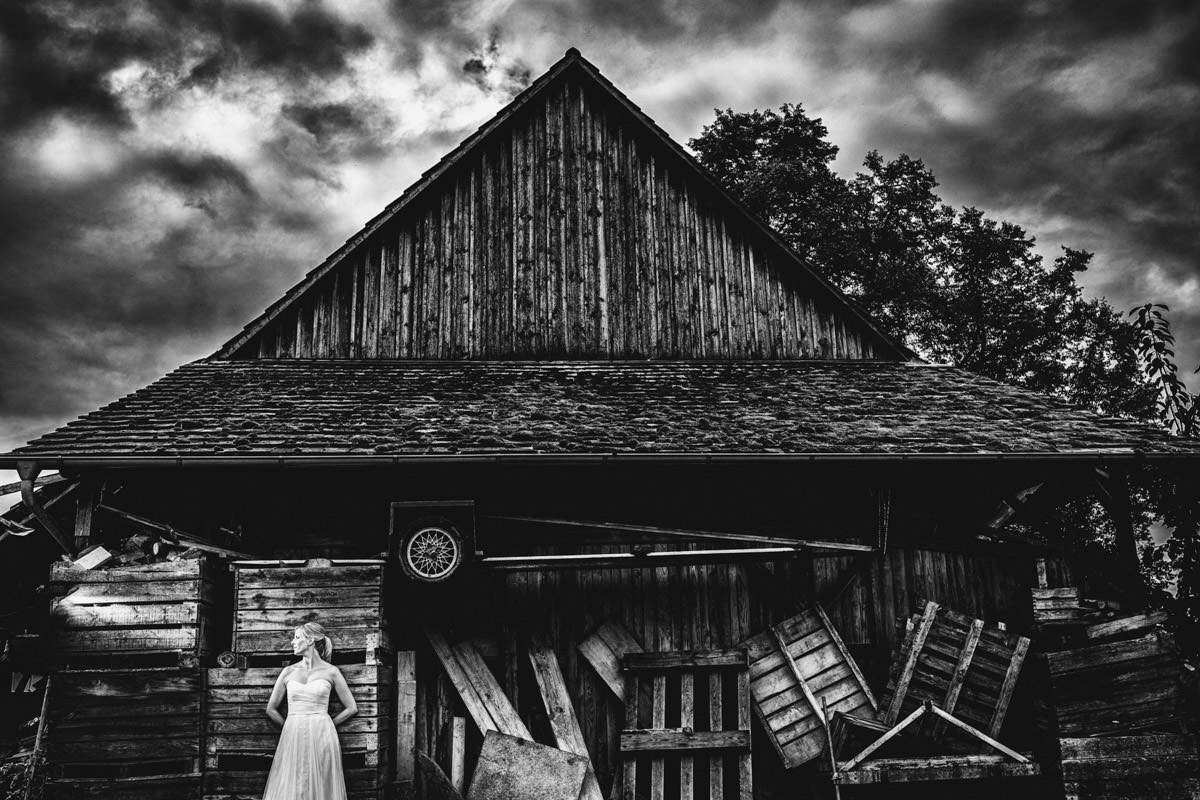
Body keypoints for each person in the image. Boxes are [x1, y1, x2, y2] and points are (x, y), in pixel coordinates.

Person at [261, 622, 358, 800]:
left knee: (322, 781)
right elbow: (271, 709)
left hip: (323, 733)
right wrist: (290, 727)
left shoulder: (332, 672)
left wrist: (327, 724)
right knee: (295, 782)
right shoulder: (288, 671)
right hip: (293, 733)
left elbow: (351, 708)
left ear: (311, 640)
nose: (292, 642)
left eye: (297, 637)